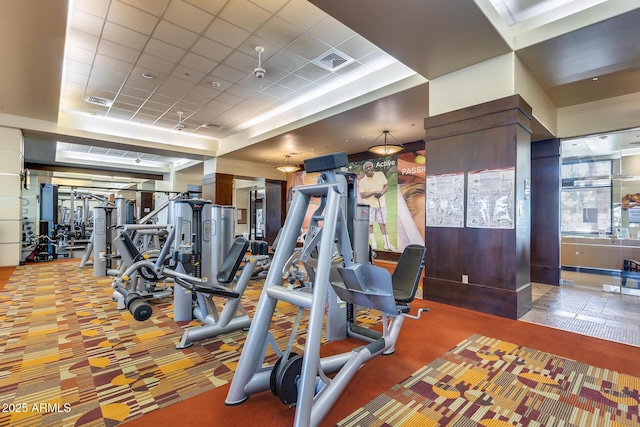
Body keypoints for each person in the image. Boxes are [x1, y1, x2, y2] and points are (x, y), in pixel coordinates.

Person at [359, 161, 396, 251]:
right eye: (366, 168)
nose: (368, 169)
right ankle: (374, 243)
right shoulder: (362, 181)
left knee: (382, 224)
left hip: (381, 205)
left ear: (372, 167)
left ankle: (387, 244)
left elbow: (386, 186)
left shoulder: (380, 174)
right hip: (369, 206)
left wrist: (382, 192)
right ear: (364, 170)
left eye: (369, 167)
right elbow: (363, 195)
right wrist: (374, 192)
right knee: (370, 224)